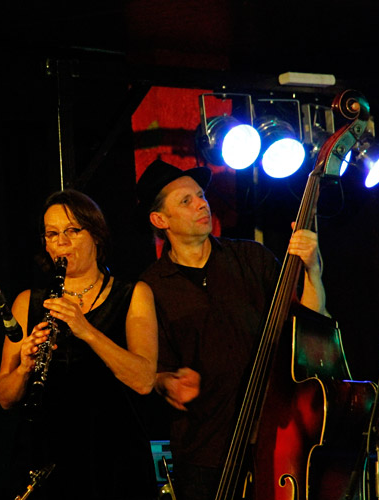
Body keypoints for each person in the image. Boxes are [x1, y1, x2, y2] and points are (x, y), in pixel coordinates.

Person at [135, 159, 328, 500]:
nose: (201, 204)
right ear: (160, 220)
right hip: (203, 453)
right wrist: (168, 383)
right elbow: (150, 372)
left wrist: (313, 270)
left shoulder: (251, 258)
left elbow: (311, 327)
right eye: (186, 201)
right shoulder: (150, 288)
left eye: (201, 195)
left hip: (277, 438)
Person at [0, 189, 158, 500]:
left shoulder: (133, 294)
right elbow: (4, 398)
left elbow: (144, 380)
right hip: (44, 453)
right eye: (52, 234)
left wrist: (86, 330)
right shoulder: (28, 302)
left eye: (72, 231)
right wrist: (25, 368)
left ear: (96, 234)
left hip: (113, 455)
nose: (61, 242)